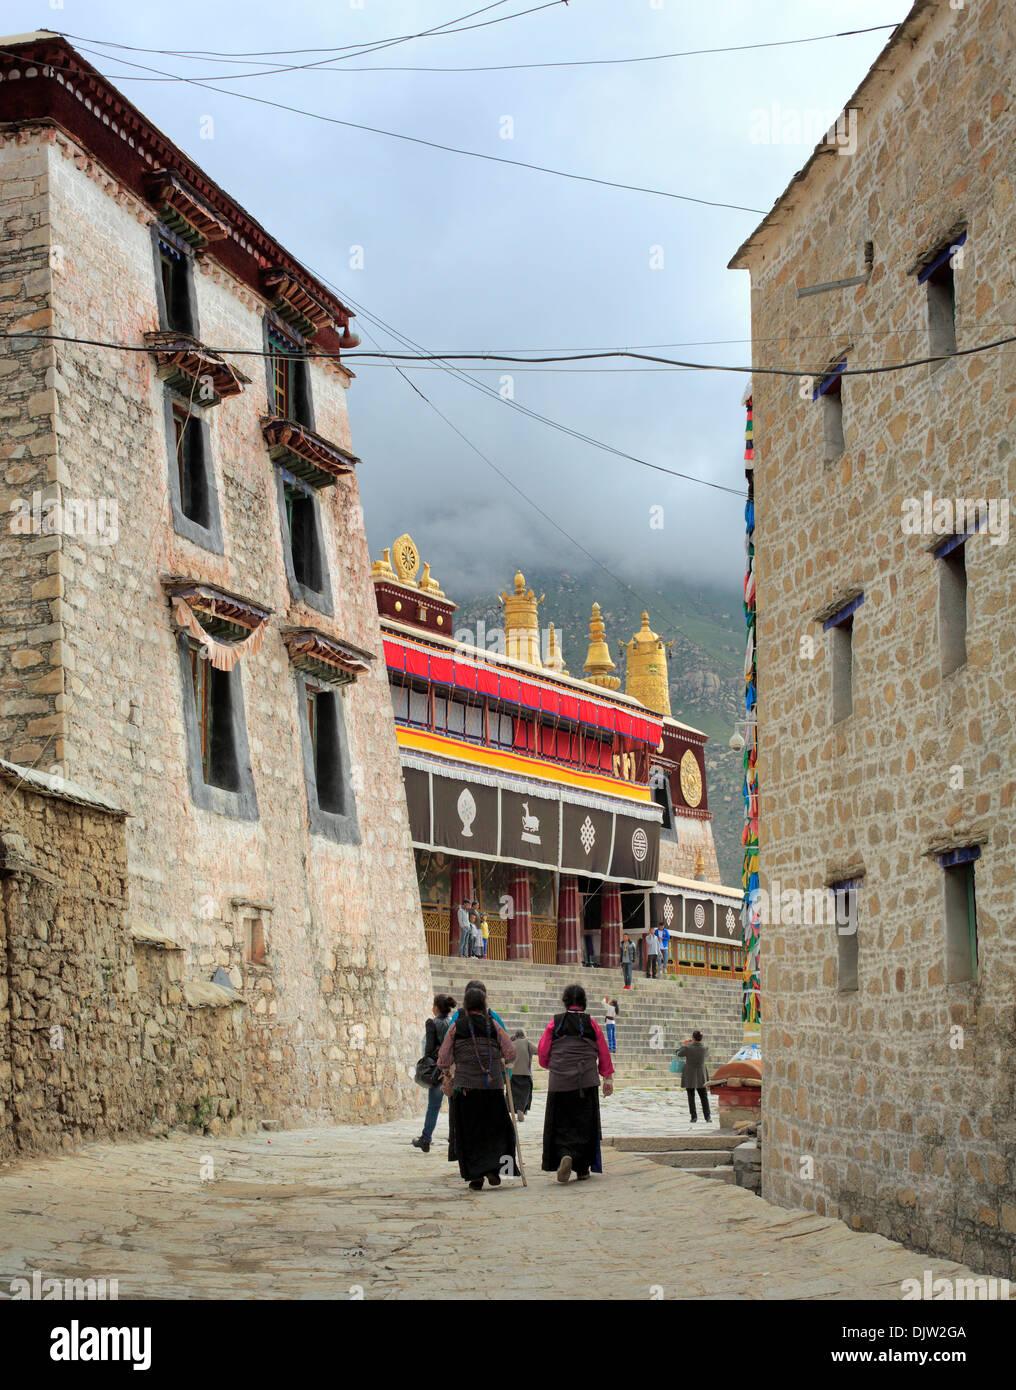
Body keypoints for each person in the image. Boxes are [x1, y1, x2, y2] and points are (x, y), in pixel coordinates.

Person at [437, 984, 519, 1190]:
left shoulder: (457, 1026)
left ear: (465, 1004)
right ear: (484, 1004)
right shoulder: (493, 1024)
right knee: (498, 1130)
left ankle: (476, 1177)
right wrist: (499, 1060)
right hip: (493, 1089)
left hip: (466, 1090)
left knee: (470, 1132)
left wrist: (450, 1068)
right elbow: (511, 1052)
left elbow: (443, 1057)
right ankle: (499, 1170)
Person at [538, 983, 614, 1183]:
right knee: (584, 1125)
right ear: (584, 1003)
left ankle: (565, 1154)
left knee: (561, 1124)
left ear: (565, 1002)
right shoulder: (592, 1024)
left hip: (560, 1083)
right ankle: (582, 1169)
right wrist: (607, 1077)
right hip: (586, 1083)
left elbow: (543, 1054)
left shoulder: (554, 1024)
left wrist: (555, 1067)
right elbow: (603, 1051)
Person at [412, 993, 456, 1153]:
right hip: (451, 1071)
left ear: (436, 1007)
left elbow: (430, 1049)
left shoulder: (432, 1023)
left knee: (433, 1107)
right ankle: (454, 1139)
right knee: (453, 1107)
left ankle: (426, 1139)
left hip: (438, 1070)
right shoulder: (453, 1023)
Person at [677, 1030, 711, 1124]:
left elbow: (679, 1054)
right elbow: (706, 1055)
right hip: (701, 1074)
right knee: (704, 1096)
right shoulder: (705, 1048)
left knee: (691, 1096)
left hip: (690, 1074)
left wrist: (684, 1045)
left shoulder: (688, 1047)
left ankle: (694, 1117)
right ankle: (708, 1117)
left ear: (693, 1037)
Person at [509, 1028, 536, 1121]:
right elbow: (538, 1051)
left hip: (514, 1074)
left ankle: (513, 1110)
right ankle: (521, 1110)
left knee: (513, 1094)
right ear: (524, 1035)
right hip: (526, 1074)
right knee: (525, 1095)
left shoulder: (512, 1044)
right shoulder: (528, 1043)